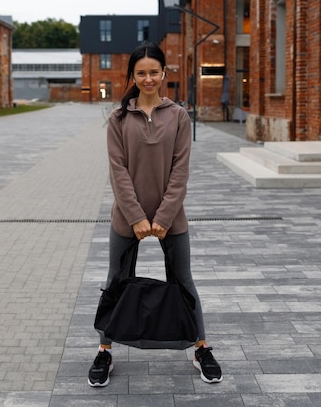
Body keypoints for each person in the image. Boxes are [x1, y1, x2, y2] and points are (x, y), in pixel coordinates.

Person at [88, 41, 223, 387]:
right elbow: (117, 171)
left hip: (171, 220)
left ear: (164, 73)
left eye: (154, 72)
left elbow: (180, 171)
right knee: (115, 282)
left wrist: (162, 217)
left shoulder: (178, 116)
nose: (148, 78)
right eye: (141, 73)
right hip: (126, 219)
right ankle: (104, 351)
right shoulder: (118, 119)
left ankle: (201, 348)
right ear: (132, 76)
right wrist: (135, 217)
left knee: (184, 282)